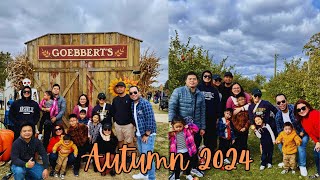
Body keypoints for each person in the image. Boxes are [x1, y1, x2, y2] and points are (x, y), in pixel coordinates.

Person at [168, 71, 206, 178]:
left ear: (197, 81)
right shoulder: (178, 91)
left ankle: (193, 168)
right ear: (186, 80)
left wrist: (203, 127)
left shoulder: (200, 95)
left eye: (194, 79)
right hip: (181, 128)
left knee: (194, 149)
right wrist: (172, 123)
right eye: (190, 79)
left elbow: (203, 112)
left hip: (195, 128)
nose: (192, 81)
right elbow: (172, 107)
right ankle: (178, 171)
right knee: (180, 151)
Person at [274, 94, 308, 176]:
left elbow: (305, 119)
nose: (281, 104)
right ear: (277, 104)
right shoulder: (278, 116)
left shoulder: (295, 109)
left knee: (301, 145)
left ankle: (302, 165)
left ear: (286, 101)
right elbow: (279, 129)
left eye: (283, 101)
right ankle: (287, 160)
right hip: (287, 135)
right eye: (278, 103)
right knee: (280, 144)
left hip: (301, 132)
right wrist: (281, 139)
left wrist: (303, 131)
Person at [129, 86, 157, 180]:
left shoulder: (145, 103)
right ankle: (143, 174)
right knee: (142, 156)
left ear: (139, 92)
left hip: (147, 135)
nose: (133, 94)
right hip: (139, 134)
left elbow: (150, 119)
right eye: (131, 93)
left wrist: (146, 134)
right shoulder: (133, 104)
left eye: (135, 92)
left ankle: (152, 177)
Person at [294, 99, 320, 179]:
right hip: (318, 140)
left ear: (308, 107)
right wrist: (316, 142)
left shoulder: (315, 114)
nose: (301, 111)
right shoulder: (303, 120)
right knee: (316, 155)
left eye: (303, 108)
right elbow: (311, 133)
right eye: (299, 110)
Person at [197, 70, 221, 154]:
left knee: (211, 137)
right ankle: (198, 156)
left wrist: (218, 116)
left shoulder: (214, 90)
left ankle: (210, 155)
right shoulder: (198, 88)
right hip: (199, 116)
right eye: (205, 76)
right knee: (198, 137)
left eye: (209, 77)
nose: (207, 78)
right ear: (202, 77)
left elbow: (218, 104)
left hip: (211, 117)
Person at [111, 81, 135, 163]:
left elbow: (133, 111)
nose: (119, 88)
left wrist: (132, 123)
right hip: (118, 125)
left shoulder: (130, 98)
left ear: (125, 88)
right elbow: (113, 111)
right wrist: (115, 122)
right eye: (118, 87)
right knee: (120, 141)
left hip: (128, 125)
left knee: (129, 141)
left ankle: (129, 157)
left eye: (121, 87)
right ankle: (121, 156)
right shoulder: (115, 100)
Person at [169, 115, 199, 180]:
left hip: (188, 151)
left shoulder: (187, 130)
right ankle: (177, 177)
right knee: (178, 166)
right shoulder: (172, 134)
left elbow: (196, 129)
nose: (179, 128)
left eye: (180, 126)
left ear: (183, 125)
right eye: (177, 127)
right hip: (178, 153)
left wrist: (189, 125)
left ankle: (188, 174)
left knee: (188, 163)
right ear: (173, 126)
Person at [232, 94, 250, 160]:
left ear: (245, 100)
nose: (241, 101)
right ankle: (237, 157)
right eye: (240, 100)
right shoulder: (235, 109)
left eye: (243, 99)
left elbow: (249, 119)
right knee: (237, 143)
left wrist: (245, 127)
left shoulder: (248, 108)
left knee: (244, 143)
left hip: (245, 129)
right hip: (237, 129)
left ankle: (244, 157)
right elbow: (233, 119)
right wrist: (238, 128)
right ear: (237, 101)